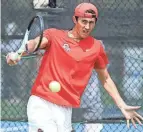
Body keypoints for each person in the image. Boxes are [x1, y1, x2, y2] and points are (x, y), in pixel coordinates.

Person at [6, 2, 143, 132]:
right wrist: (18, 53)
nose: (87, 27)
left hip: (66, 108)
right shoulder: (55, 35)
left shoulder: (96, 47)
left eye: (91, 23)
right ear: (75, 19)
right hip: (41, 102)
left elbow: (105, 78)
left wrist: (122, 105)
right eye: (84, 21)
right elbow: (34, 43)